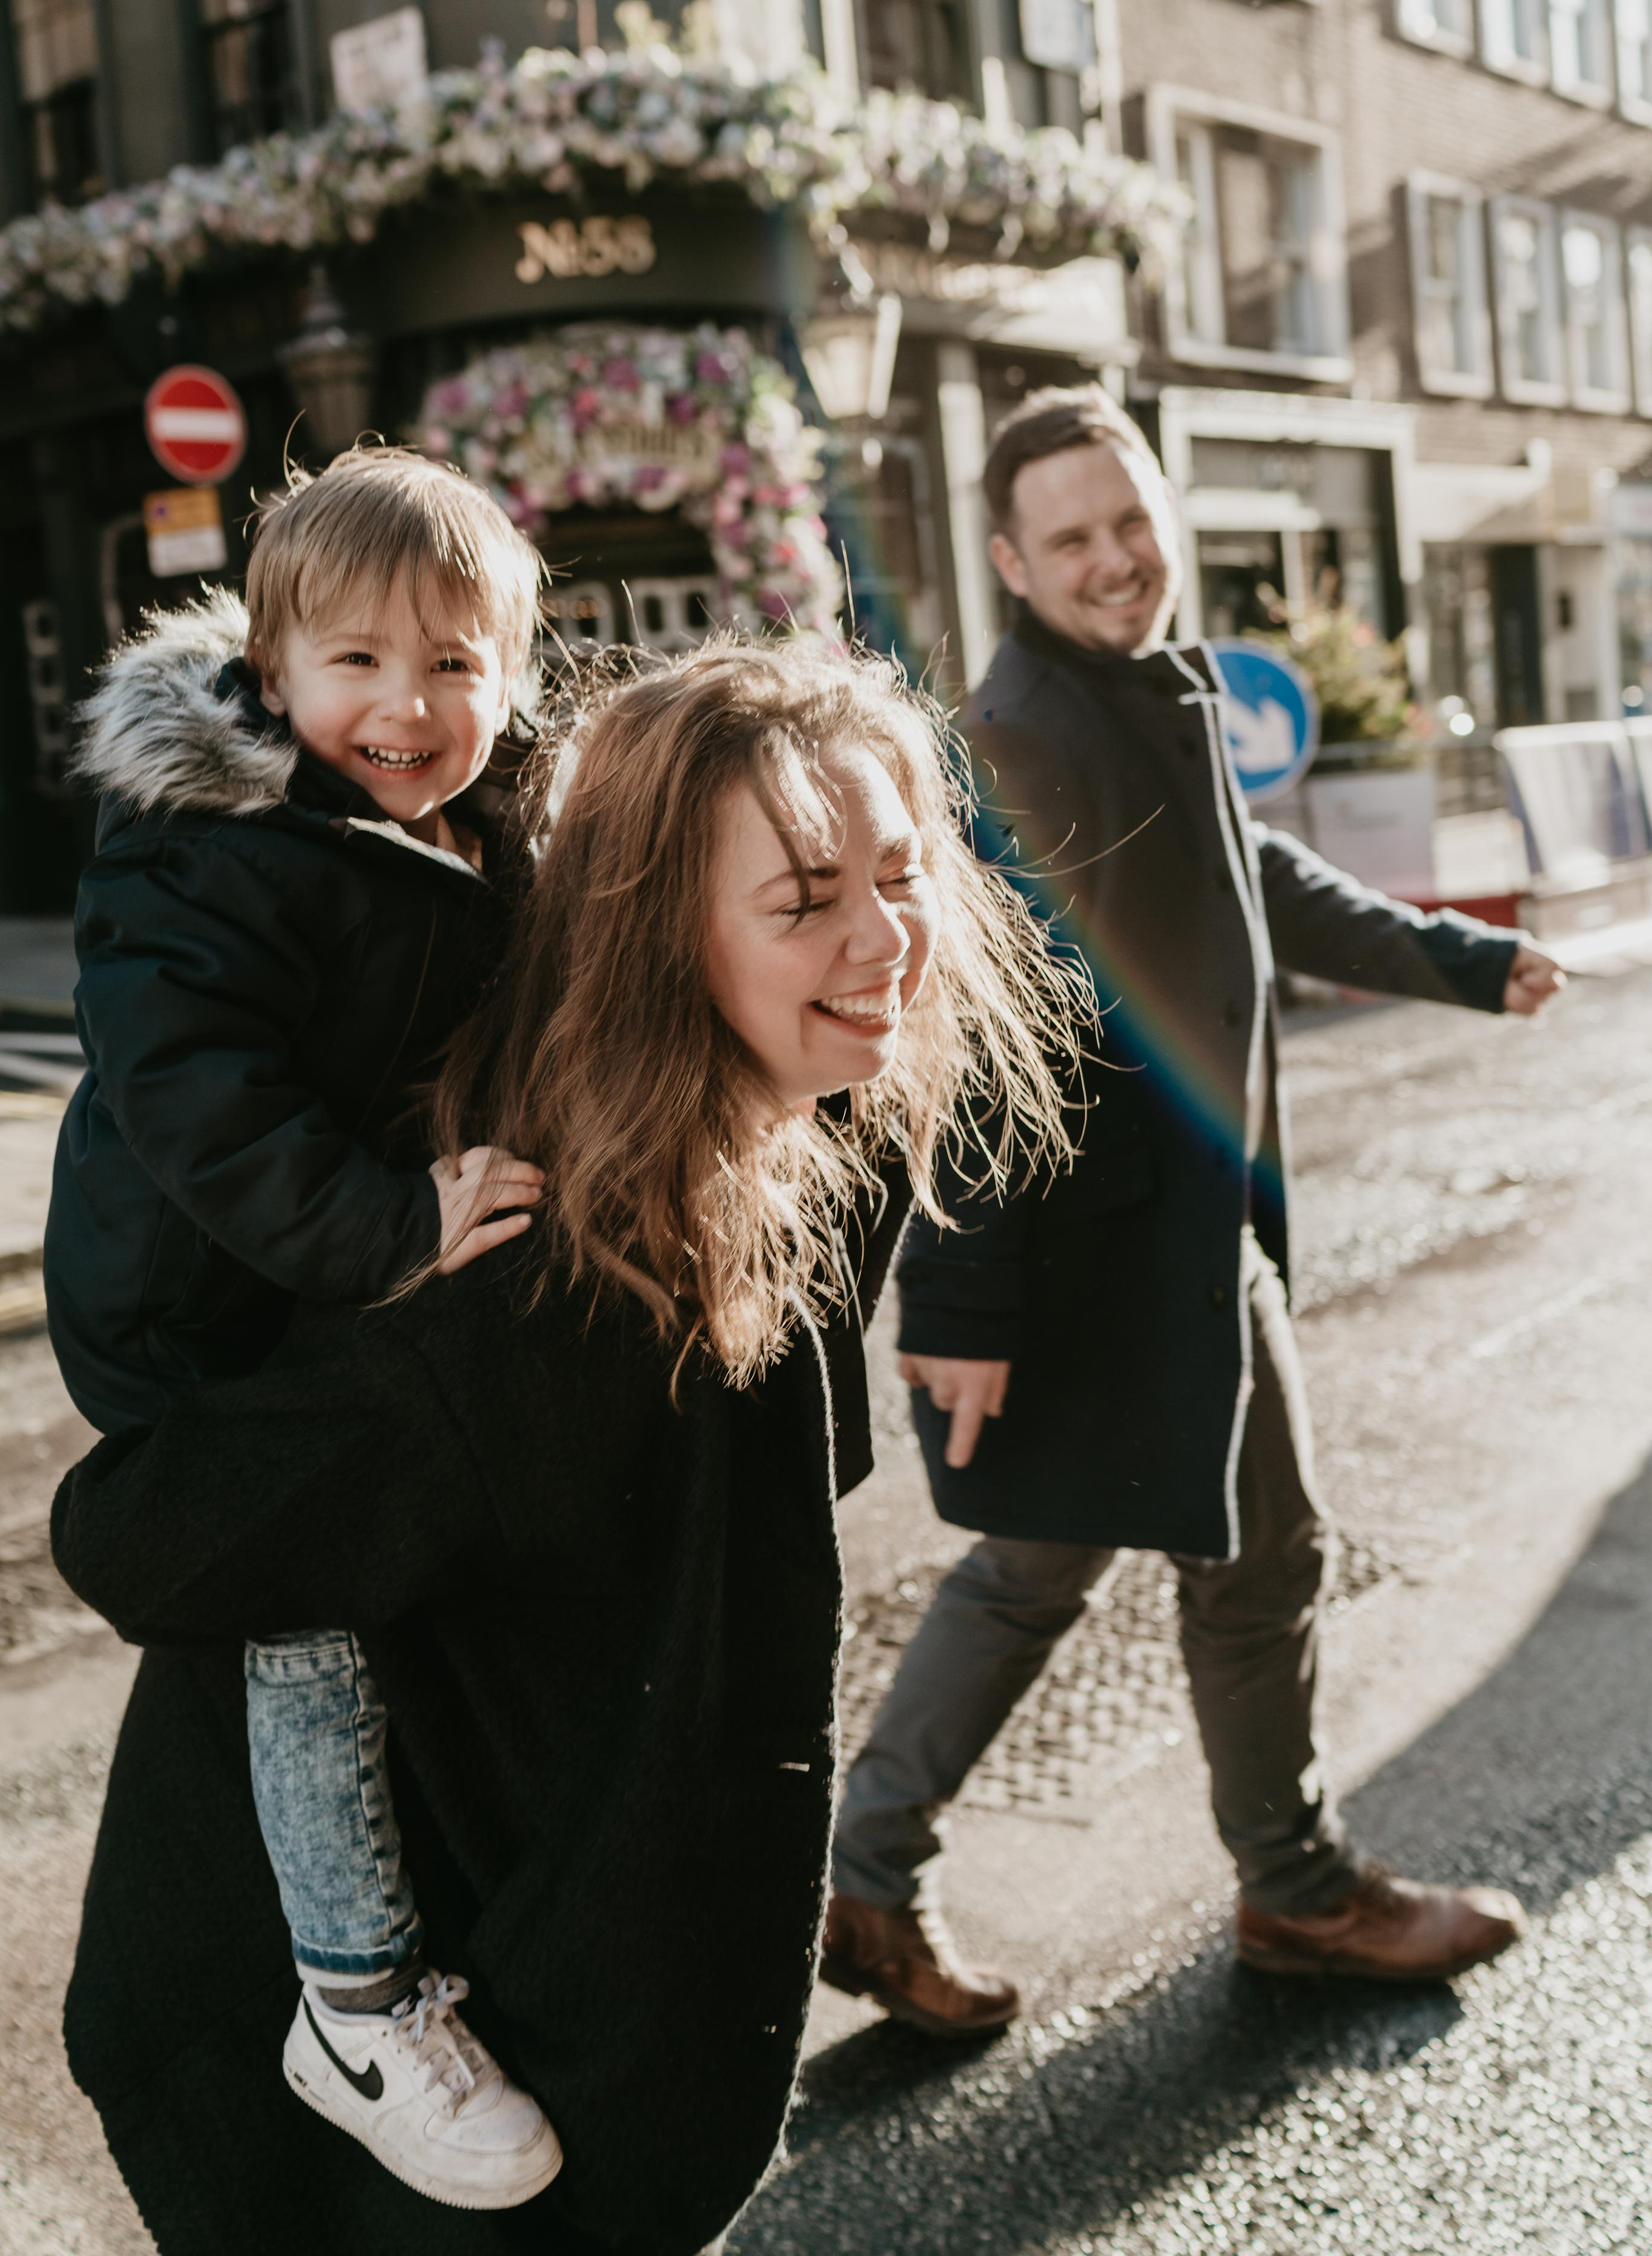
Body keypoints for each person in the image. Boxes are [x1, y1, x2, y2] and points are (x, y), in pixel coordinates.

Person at [50, 638, 1085, 2256]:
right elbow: (131, 1532)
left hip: (579, 2096)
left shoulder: (801, 1154)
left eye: (900, 872)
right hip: (398, 2149)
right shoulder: (538, 1294)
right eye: (803, 897)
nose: (884, 937)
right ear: (657, 944)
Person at [822, 384, 1567, 2036]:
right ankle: (1269, 1891)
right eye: (1071, 536)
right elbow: (980, 1045)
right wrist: (955, 1312)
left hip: (1172, 1236)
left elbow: (1257, 879)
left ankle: (908, 1880)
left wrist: (1452, 954)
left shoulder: (1144, 691)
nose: (1114, 556)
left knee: (1201, 1554)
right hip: (1103, 1255)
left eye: (1129, 518)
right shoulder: (1026, 733)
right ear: (1010, 560)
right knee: (1083, 1567)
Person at [44, 447, 562, 2208]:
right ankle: (354, 1995)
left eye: (455, 664)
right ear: (272, 673)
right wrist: (397, 1224)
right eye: (358, 662)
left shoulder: (464, 826)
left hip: (315, 1268)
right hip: (194, 1306)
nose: (408, 705)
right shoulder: (207, 850)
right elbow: (202, 1110)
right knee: (312, 1603)